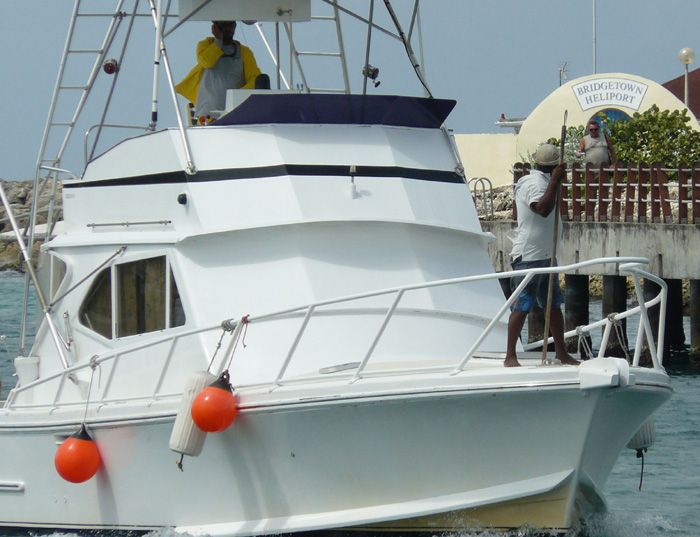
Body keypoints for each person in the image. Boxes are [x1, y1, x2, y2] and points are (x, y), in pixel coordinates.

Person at [505, 144, 580, 368]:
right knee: (522, 306)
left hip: (546, 256)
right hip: (529, 257)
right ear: (555, 166)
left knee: (553, 304)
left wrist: (555, 183)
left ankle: (561, 352)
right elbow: (542, 210)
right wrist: (556, 181)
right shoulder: (534, 183)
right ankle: (510, 356)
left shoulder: (542, 182)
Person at [175, 21, 268, 120]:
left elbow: (255, 78)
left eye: (230, 25)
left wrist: (236, 96)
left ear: (235, 26)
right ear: (215, 27)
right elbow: (207, 62)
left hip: (234, 111)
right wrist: (218, 40)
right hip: (208, 113)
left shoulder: (244, 52)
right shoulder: (205, 45)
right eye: (223, 25)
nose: (228, 28)